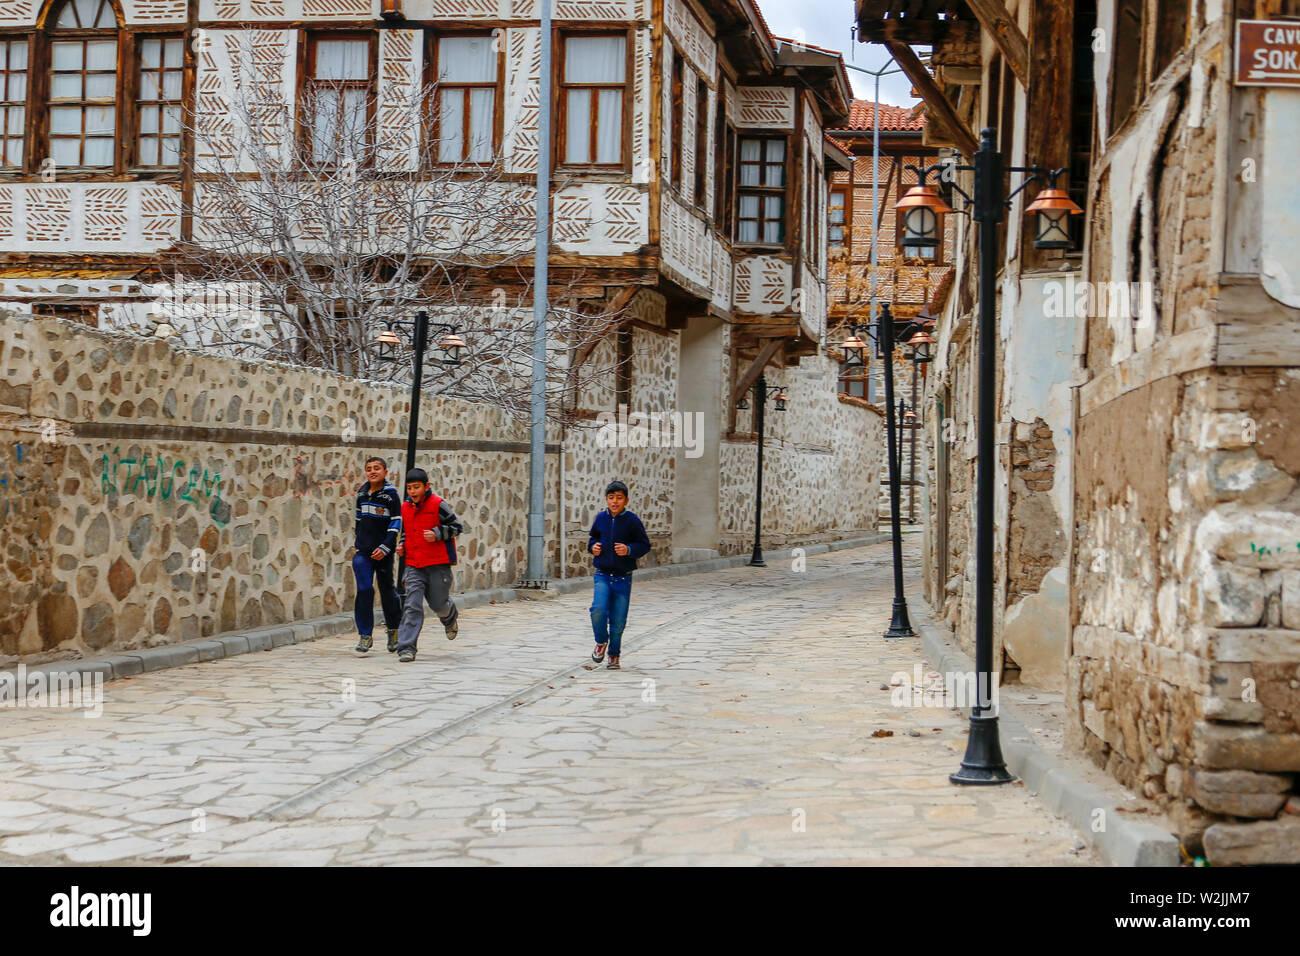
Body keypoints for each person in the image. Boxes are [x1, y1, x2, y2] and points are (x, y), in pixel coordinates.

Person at [394, 468, 464, 663]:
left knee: (438, 604)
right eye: (409, 488)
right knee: (412, 604)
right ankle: (406, 647)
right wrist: (402, 545)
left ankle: (449, 616)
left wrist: (437, 533)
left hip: (437, 564)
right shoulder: (405, 508)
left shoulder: (438, 504)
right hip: (414, 564)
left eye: (416, 487)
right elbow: (408, 532)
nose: (413, 492)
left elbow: (457, 527)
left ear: (427, 486)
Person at [586, 480, 651, 670]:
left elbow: (644, 544)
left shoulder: (632, 521)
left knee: (619, 620)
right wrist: (593, 547)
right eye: (611, 497)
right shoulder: (601, 519)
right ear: (606, 499)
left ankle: (614, 655)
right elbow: (593, 538)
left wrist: (629, 549)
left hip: (623, 578)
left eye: (619, 498)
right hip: (603, 575)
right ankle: (601, 642)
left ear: (626, 500)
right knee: (597, 610)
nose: (615, 501)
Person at [352, 456, 403, 654]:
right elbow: (358, 521)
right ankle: (365, 635)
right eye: (369, 468)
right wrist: (361, 541)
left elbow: (396, 523)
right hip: (363, 553)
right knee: (364, 590)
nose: (373, 471)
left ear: (385, 472)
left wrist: (385, 547)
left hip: (384, 553)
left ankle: (393, 630)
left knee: (387, 591)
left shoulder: (391, 495)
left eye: (377, 468)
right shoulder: (362, 494)